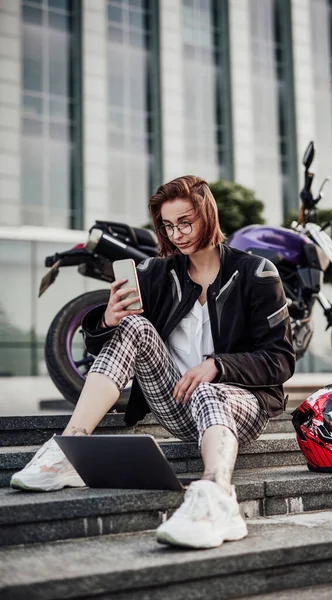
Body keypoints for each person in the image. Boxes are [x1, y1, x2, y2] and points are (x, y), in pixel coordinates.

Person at [11, 176, 295, 549]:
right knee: (133, 324)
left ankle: (216, 495)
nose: (177, 234)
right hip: (174, 401)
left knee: (211, 392)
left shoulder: (256, 274)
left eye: (186, 222)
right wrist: (106, 321)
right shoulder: (154, 274)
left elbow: (281, 359)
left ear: (208, 214)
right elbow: (104, 344)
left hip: (240, 405)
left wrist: (219, 366)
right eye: (168, 225)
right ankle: (69, 448)